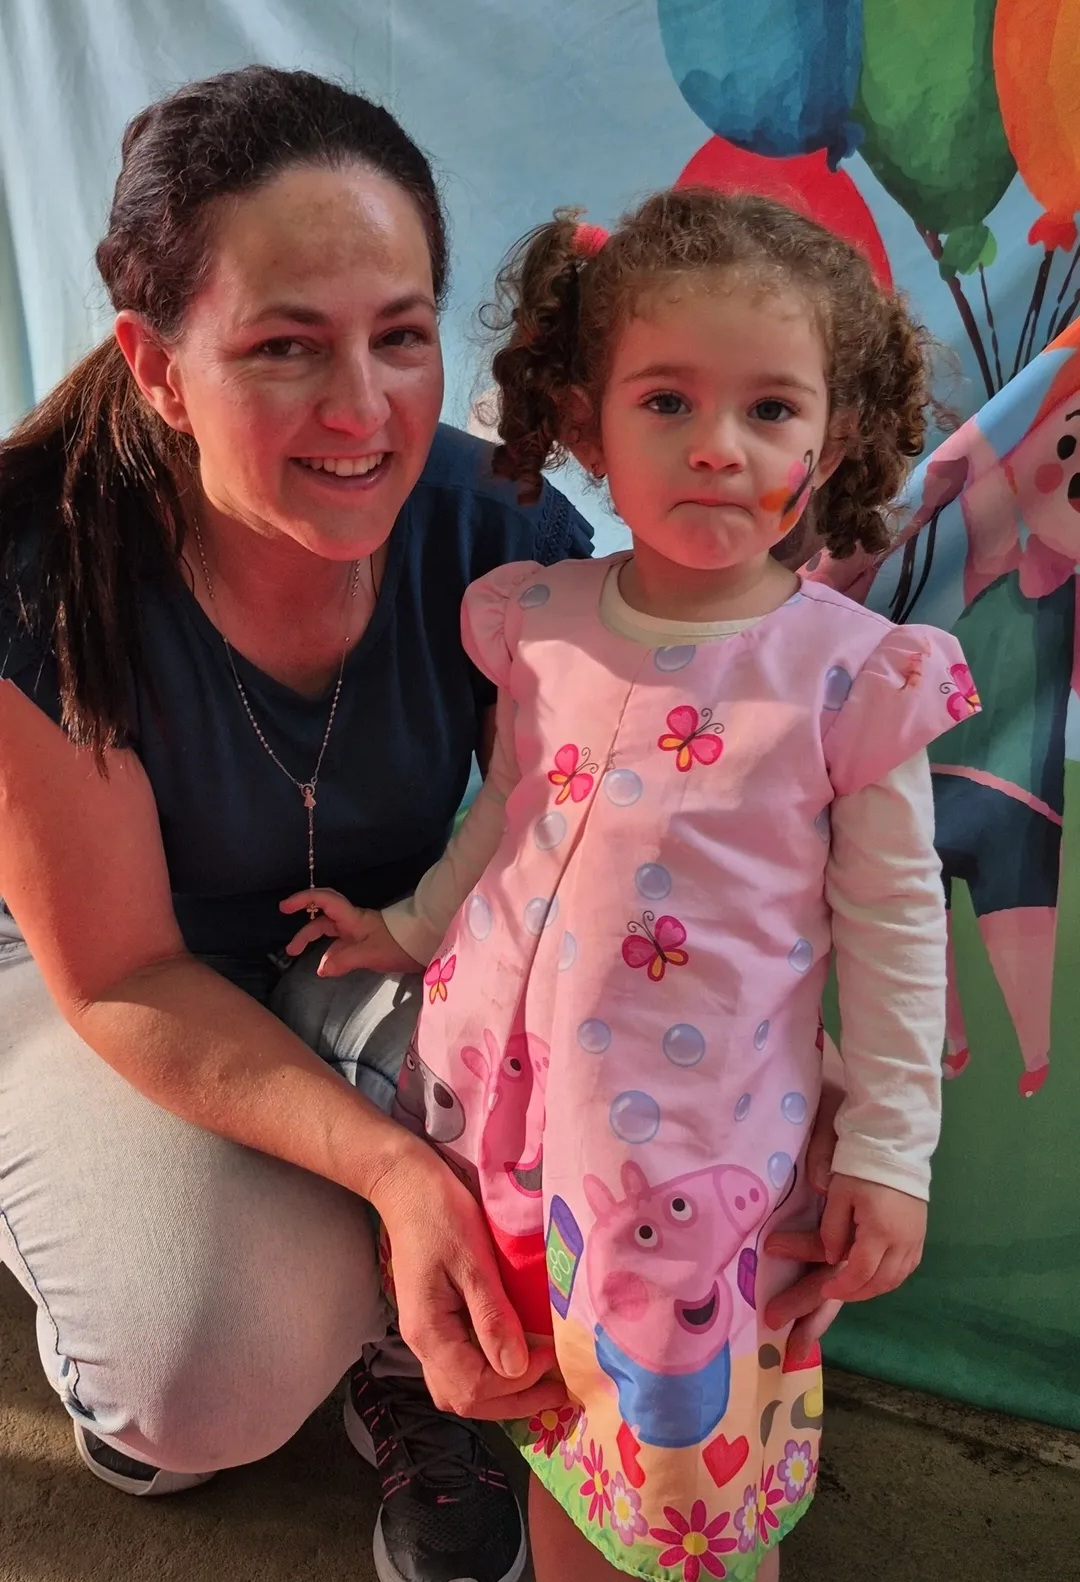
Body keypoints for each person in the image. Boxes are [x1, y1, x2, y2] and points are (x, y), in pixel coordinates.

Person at [285, 189, 976, 1581]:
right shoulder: (540, 618)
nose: (719, 445)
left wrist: (891, 1153)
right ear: (588, 424)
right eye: (668, 402)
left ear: (834, 436)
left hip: (695, 1174)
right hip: (509, 1128)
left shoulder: (849, 677)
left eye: (770, 409)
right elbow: (508, 819)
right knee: (557, 1434)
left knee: (682, 1488)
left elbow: (899, 933)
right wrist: (407, 927)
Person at [0, 64, 601, 1582]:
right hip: (94, 978)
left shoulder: (503, 530)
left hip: (366, 953)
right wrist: (399, 1176)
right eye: (284, 346)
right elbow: (124, 970)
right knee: (200, 1378)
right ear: (155, 365)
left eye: (400, 334)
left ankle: (407, 1359)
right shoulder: (36, 562)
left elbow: (599, 848)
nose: (361, 408)